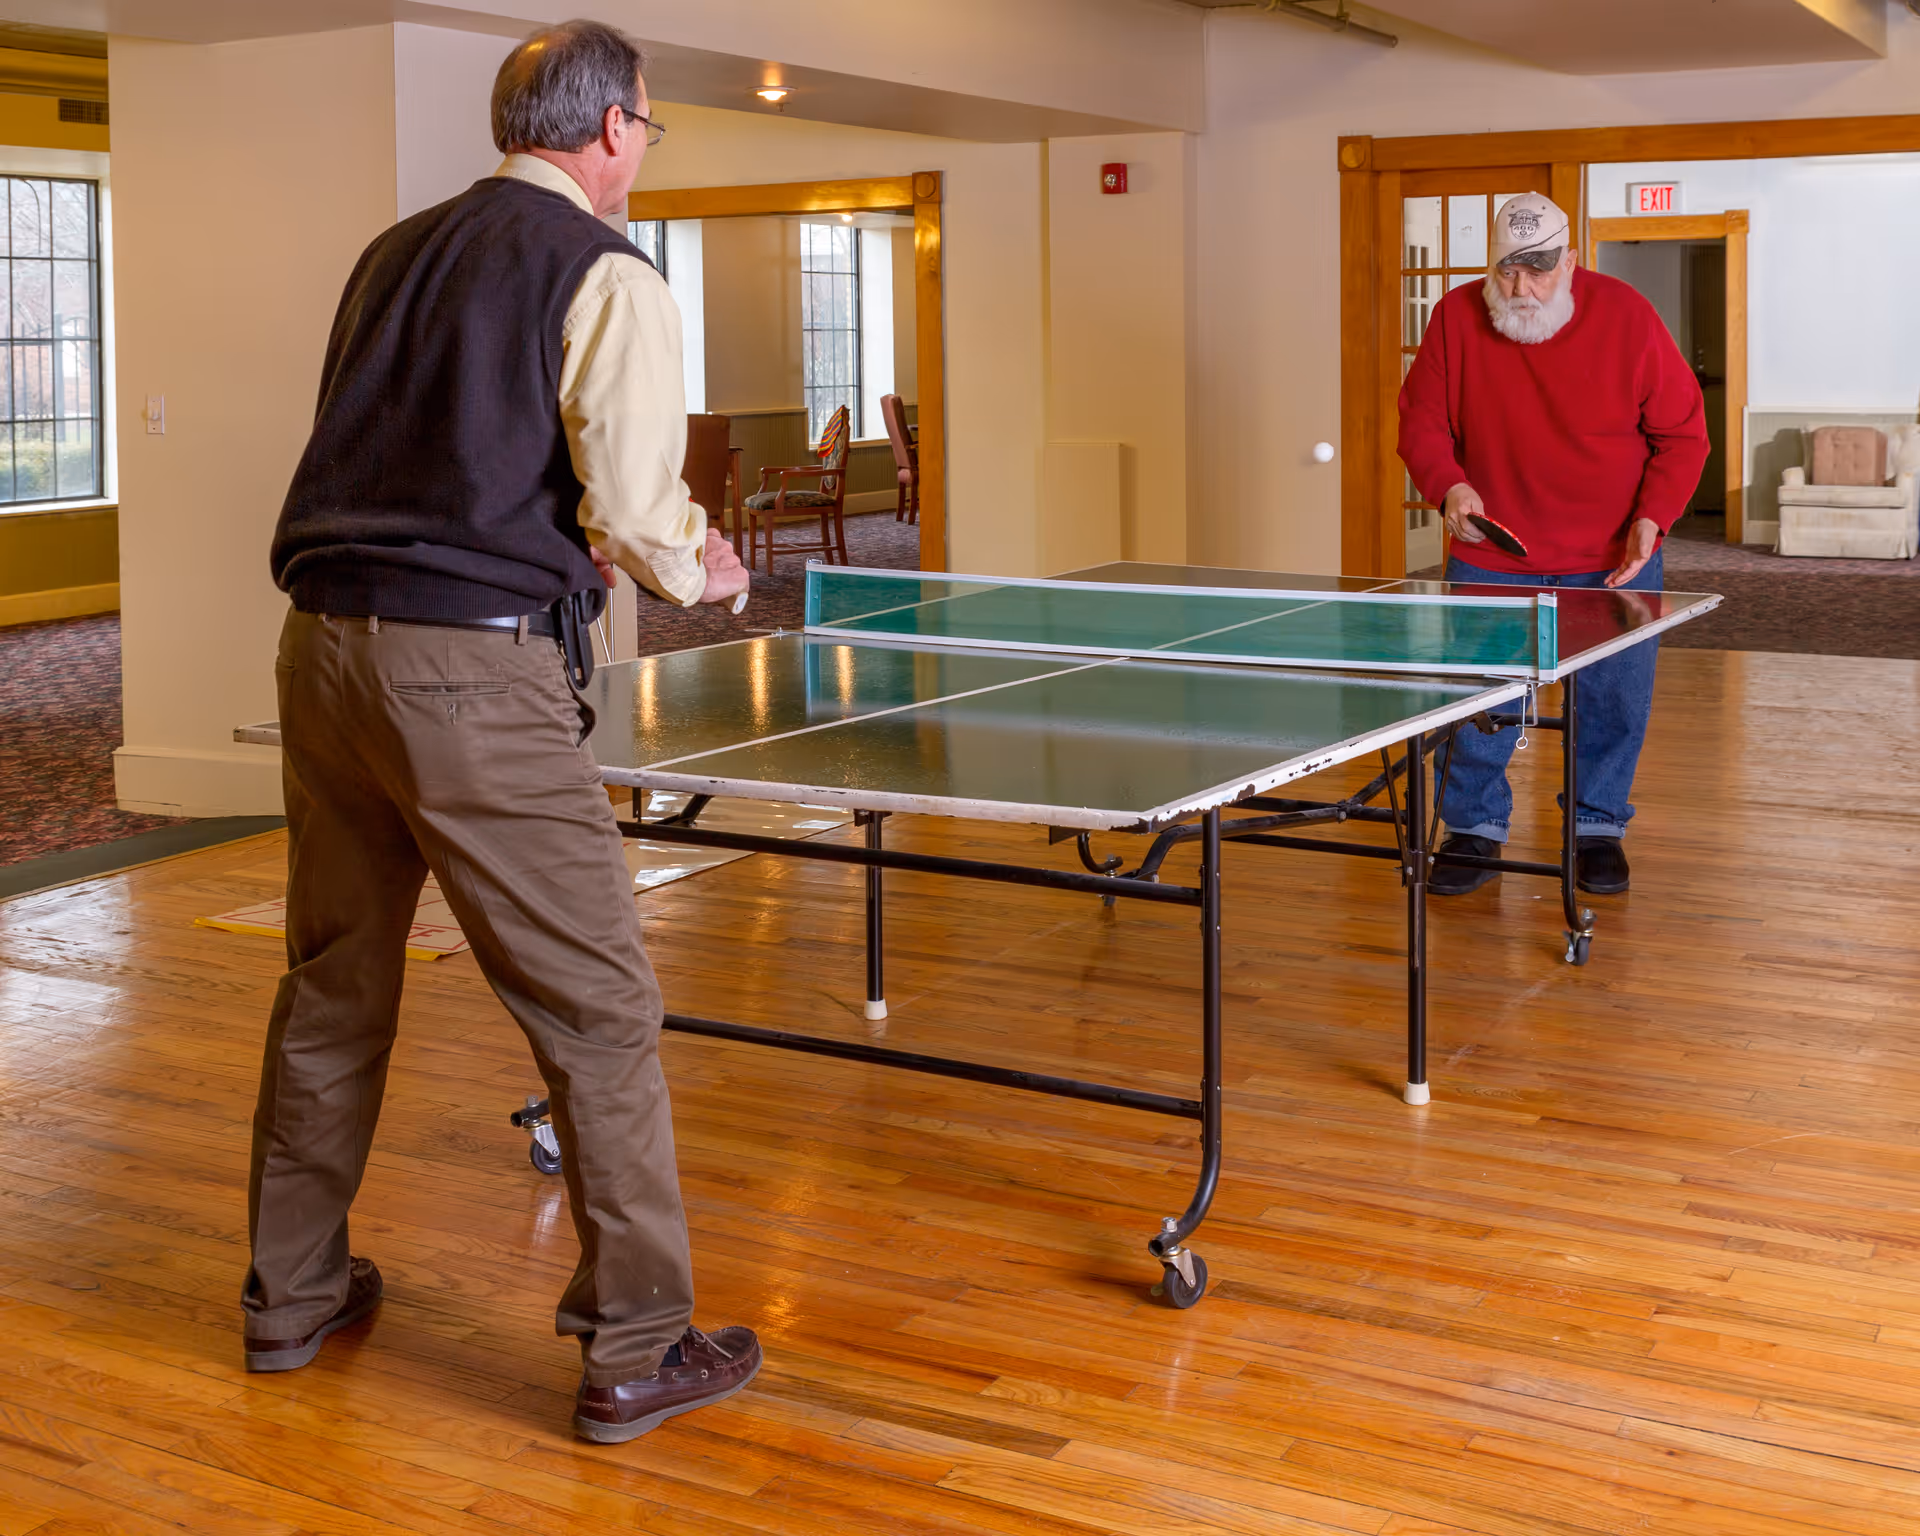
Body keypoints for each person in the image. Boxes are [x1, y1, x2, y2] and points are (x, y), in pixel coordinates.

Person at [247, 19, 759, 1443]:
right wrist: (700, 567)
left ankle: (289, 1294)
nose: (646, 150)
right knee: (598, 1006)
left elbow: (434, 456)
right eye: (649, 127)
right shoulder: (608, 270)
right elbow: (648, 514)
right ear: (606, 130)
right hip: (468, 683)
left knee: (333, 982)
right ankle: (640, 1345)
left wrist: (563, 537)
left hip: (322, 652)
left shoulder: (391, 253)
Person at [1397, 192, 1709, 897]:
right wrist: (1449, 487)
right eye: (1508, 270)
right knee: (1479, 699)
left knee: (1614, 701)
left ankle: (1596, 827)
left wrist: (1653, 518)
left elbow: (1684, 435)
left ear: (1571, 260)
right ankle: (1472, 828)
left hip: (1614, 556)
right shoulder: (1455, 318)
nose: (1522, 288)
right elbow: (1421, 424)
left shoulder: (1626, 315)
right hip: (1492, 551)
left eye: (1539, 270)